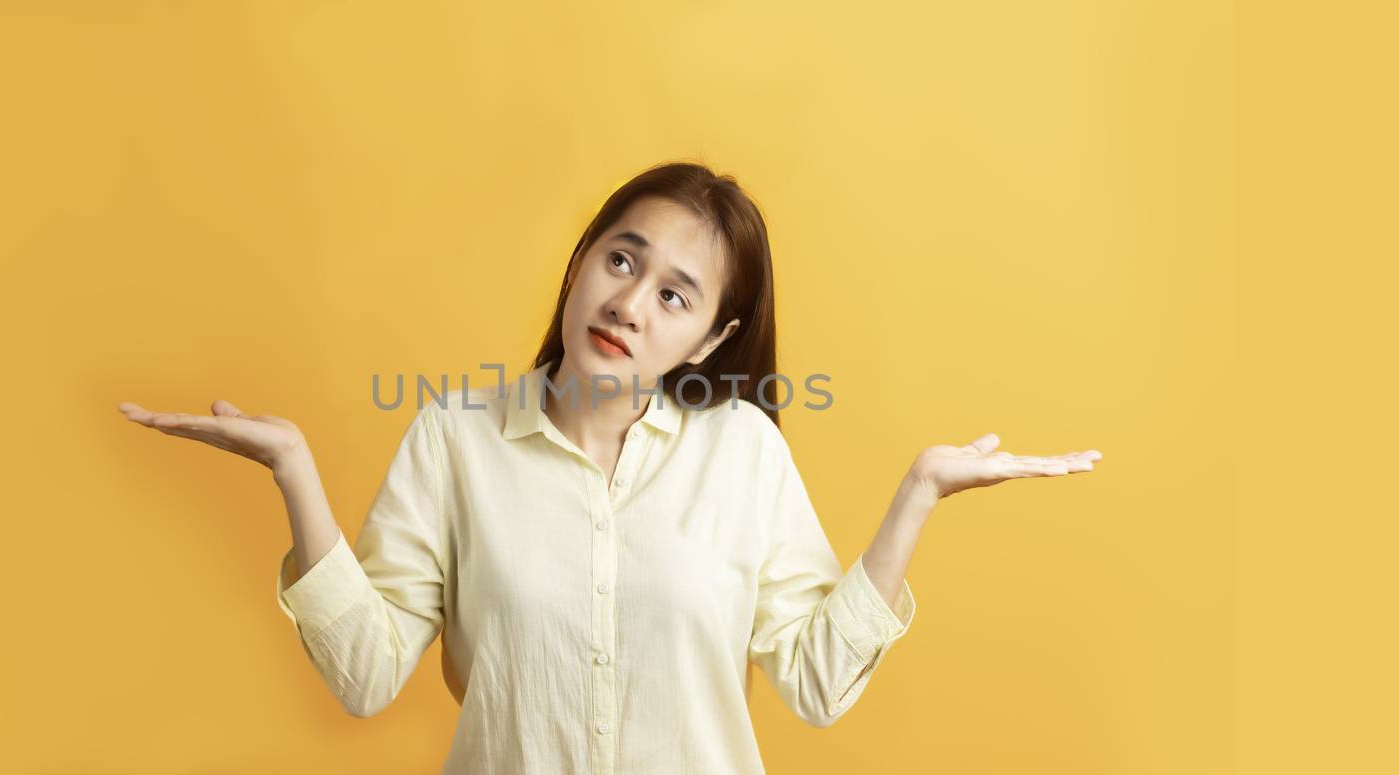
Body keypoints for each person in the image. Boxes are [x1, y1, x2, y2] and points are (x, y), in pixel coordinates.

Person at [118, 161, 1102, 774]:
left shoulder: (742, 454)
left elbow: (812, 683)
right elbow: (367, 675)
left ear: (711, 339)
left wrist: (915, 498)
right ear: (583, 258)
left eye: (675, 295)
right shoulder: (454, 441)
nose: (630, 304)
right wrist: (294, 471)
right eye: (621, 260)